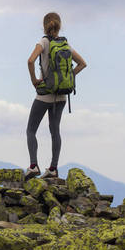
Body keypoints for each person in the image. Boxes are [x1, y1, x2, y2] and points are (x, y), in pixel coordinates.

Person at [25, 12, 87, 179]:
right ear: (59, 26)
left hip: (45, 94)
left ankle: (33, 166)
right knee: (55, 131)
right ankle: (53, 169)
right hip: (61, 96)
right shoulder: (65, 44)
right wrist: (68, 77)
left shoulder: (44, 42)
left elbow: (30, 61)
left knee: (31, 130)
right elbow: (82, 64)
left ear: (44, 25)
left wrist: (34, 80)